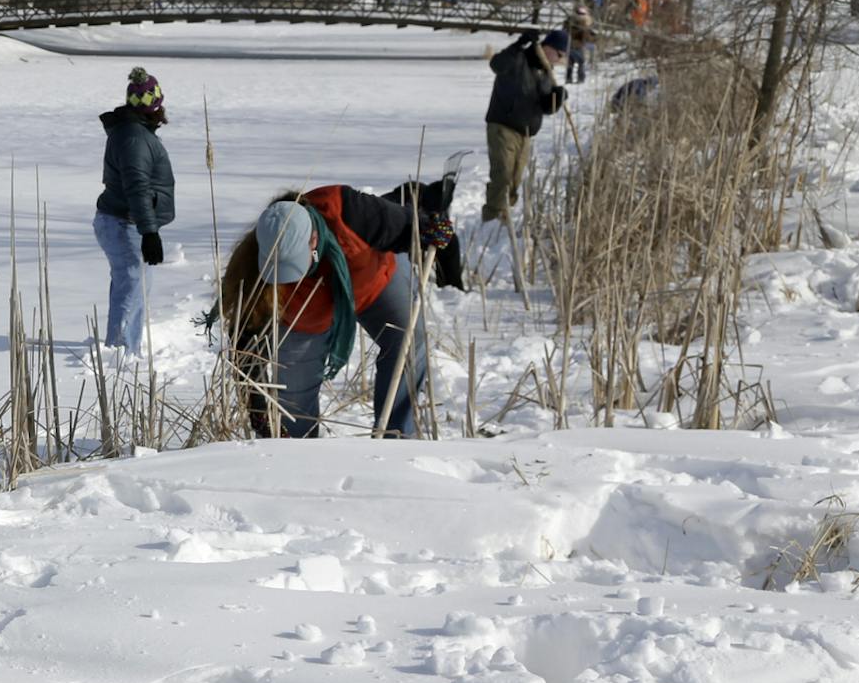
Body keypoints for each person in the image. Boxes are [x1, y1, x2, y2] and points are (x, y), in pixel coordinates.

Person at [217, 179, 454, 439]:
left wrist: (432, 230)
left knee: (408, 339)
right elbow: (246, 344)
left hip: (375, 283)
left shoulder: (347, 211)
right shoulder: (253, 268)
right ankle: (301, 460)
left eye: (295, 266)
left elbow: (408, 226)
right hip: (303, 319)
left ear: (314, 240)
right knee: (295, 410)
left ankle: (395, 438)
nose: (290, 278)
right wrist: (258, 408)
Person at [92, 67, 176, 354]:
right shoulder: (134, 138)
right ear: (155, 106)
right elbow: (137, 186)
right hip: (124, 222)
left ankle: (128, 345)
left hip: (126, 222)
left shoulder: (136, 133)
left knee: (134, 286)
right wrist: (149, 231)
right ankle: (120, 353)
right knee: (132, 287)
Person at [481, 28, 566, 223]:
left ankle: (505, 217)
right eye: (558, 54)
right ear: (547, 47)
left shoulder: (546, 73)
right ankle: (492, 217)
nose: (559, 59)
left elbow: (546, 107)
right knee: (502, 174)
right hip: (503, 125)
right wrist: (519, 43)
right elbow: (497, 64)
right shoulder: (518, 59)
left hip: (526, 133)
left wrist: (557, 98)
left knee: (514, 180)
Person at [564, 6, 595, 84]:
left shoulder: (569, 21)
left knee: (570, 62)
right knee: (581, 62)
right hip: (577, 45)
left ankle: (568, 78)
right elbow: (586, 36)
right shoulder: (583, 22)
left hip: (569, 44)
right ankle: (580, 79)